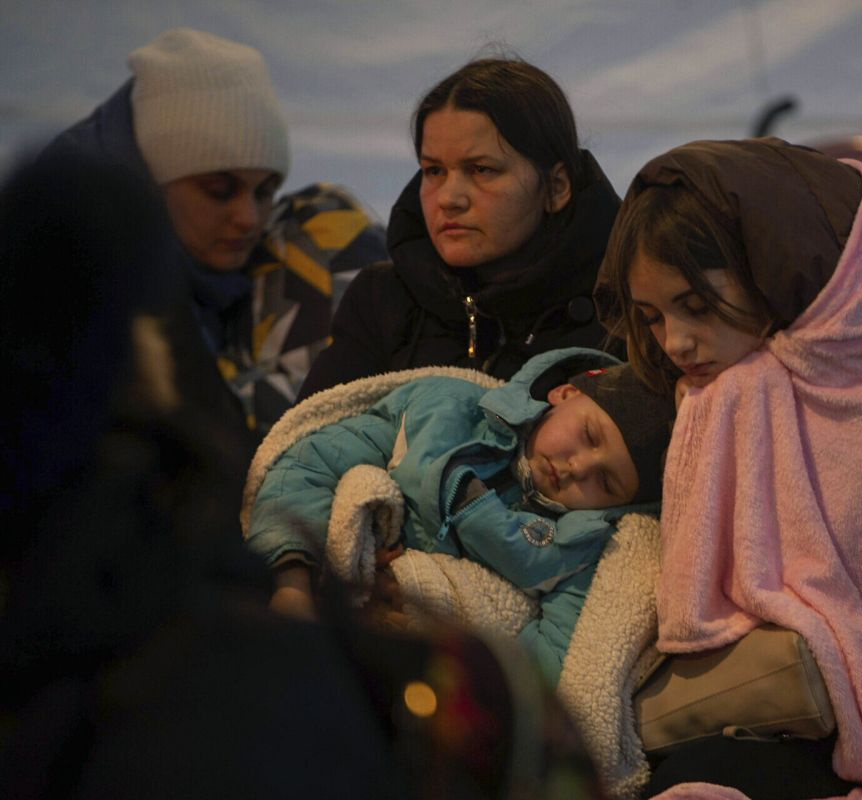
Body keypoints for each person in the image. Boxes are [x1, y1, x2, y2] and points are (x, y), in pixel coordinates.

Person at [595, 138, 862, 798]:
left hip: (844, 728)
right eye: (650, 318)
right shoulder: (731, 385)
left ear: (770, 267)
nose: (674, 343)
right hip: (761, 712)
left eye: (696, 306)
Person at [44, 27, 386, 461]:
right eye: (218, 190)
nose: (247, 218)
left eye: (264, 191)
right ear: (149, 181)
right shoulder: (62, 284)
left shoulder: (303, 244)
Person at [247, 349, 675, 681]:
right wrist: (292, 582)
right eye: (587, 434)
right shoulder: (445, 415)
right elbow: (310, 465)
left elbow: (548, 665)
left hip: (422, 676)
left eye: (606, 482)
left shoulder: (576, 550)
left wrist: (441, 643)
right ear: (564, 393)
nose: (577, 466)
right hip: (322, 605)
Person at [298, 58, 621, 398]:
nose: (449, 199)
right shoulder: (381, 300)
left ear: (556, 187)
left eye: (482, 170)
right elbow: (304, 443)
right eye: (434, 171)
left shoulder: (628, 307)